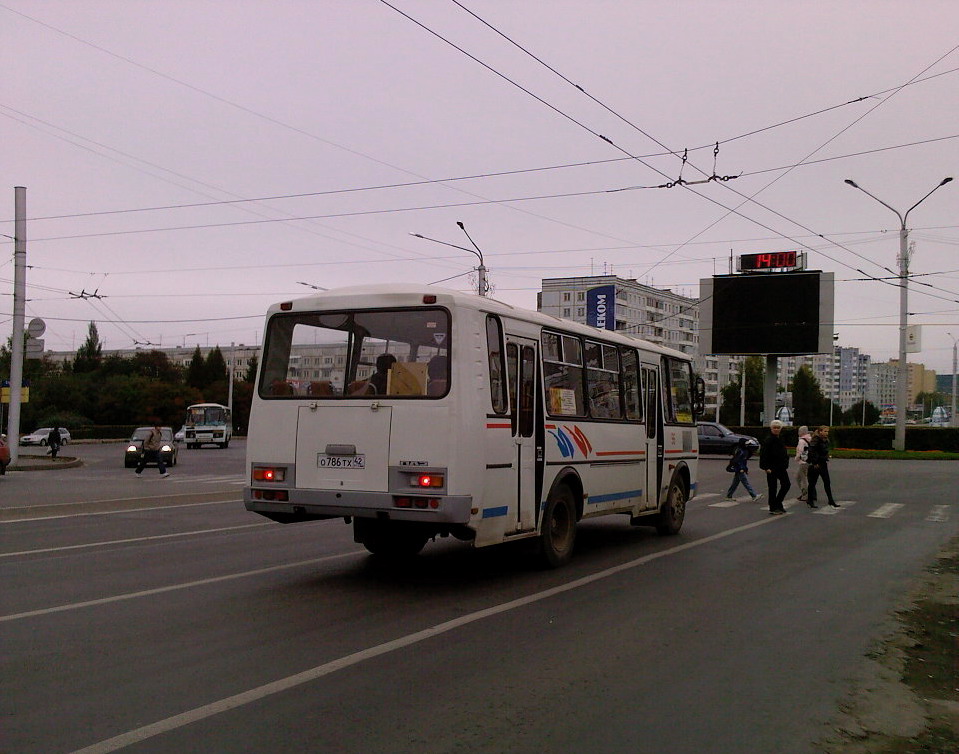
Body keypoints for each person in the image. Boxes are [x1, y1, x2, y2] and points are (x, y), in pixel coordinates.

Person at [759, 419, 789, 515]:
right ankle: (773, 507)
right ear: (771, 428)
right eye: (774, 428)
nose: (776, 429)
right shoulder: (768, 440)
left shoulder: (780, 438)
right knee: (773, 488)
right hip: (771, 468)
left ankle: (778, 503)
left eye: (778, 428)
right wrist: (765, 467)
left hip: (781, 467)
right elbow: (763, 455)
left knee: (786, 484)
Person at [724, 437, 764, 503]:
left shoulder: (742, 450)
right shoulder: (742, 451)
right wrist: (742, 469)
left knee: (735, 484)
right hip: (739, 469)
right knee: (746, 483)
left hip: (739, 469)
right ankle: (754, 495)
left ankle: (729, 496)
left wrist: (744, 469)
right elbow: (738, 461)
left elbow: (741, 461)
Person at [807, 425, 838, 508]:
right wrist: (814, 462)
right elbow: (811, 451)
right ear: (820, 431)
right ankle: (810, 500)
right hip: (817, 464)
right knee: (812, 483)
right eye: (824, 431)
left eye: (827, 431)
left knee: (827, 482)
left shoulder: (825, 440)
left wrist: (826, 456)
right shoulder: (816, 440)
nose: (826, 433)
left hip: (823, 463)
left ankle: (830, 500)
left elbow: (823, 450)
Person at [794, 425, 812, 502]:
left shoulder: (801, 441)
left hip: (803, 462)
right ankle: (805, 493)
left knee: (802, 478)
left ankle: (805, 495)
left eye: (799, 431)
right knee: (800, 477)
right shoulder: (810, 439)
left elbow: (800, 452)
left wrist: (796, 458)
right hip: (809, 461)